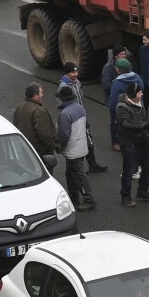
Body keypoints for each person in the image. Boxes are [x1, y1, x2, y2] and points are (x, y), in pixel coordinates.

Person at [59, 62, 108, 173]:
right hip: (75, 119)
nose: (76, 74)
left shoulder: (77, 83)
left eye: (76, 71)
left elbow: (81, 99)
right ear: (67, 73)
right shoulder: (63, 87)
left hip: (83, 115)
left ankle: (92, 164)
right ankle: (80, 168)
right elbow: (60, 106)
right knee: (79, 141)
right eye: (73, 72)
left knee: (88, 138)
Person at [55, 82, 97, 211]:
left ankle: (88, 199)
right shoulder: (80, 108)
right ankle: (73, 197)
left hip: (72, 150)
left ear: (62, 99)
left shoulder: (65, 114)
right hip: (81, 147)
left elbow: (64, 135)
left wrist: (59, 147)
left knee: (78, 174)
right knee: (71, 172)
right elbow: (87, 125)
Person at [115, 82, 149, 207]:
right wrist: (144, 125)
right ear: (133, 94)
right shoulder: (122, 107)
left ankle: (143, 191)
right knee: (129, 171)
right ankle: (125, 196)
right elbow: (127, 123)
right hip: (130, 143)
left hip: (143, 142)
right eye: (139, 92)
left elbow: (144, 119)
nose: (142, 94)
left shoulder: (140, 104)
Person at [12, 82, 60, 161]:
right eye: (41, 92)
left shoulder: (20, 106)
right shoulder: (39, 110)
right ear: (35, 95)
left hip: (24, 149)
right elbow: (45, 134)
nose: (42, 95)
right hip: (39, 152)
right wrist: (51, 148)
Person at [108, 57, 144, 152]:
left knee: (117, 125)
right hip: (137, 108)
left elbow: (113, 103)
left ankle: (116, 143)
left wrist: (113, 115)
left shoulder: (117, 83)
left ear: (119, 69)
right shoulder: (138, 78)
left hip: (122, 111)